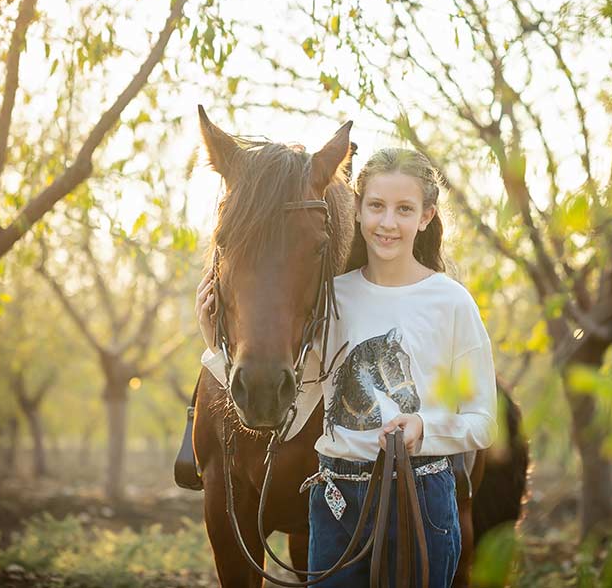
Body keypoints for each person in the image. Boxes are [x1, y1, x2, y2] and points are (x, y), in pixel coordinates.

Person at [196, 147, 497, 587]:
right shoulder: (333, 301)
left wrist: (424, 429)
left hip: (418, 498)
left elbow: (483, 421)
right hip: (334, 504)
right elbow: (296, 406)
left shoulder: (452, 302)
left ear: (427, 215)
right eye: (376, 206)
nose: (388, 222)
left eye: (404, 209)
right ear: (356, 209)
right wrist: (217, 350)